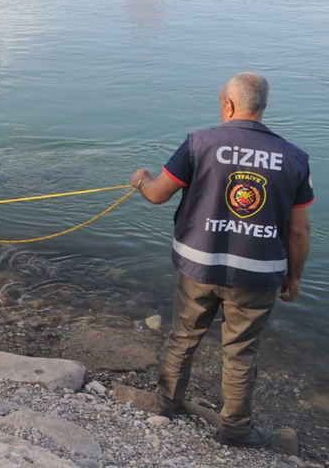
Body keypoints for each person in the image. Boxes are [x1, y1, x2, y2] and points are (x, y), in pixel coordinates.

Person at [132, 72, 312, 448]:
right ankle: (234, 429)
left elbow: (157, 195)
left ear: (228, 105)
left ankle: (168, 405)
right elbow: (299, 231)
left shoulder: (200, 143)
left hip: (198, 264)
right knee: (241, 352)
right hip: (258, 274)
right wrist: (294, 278)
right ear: (261, 107)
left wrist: (142, 179)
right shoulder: (294, 158)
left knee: (183, 337)